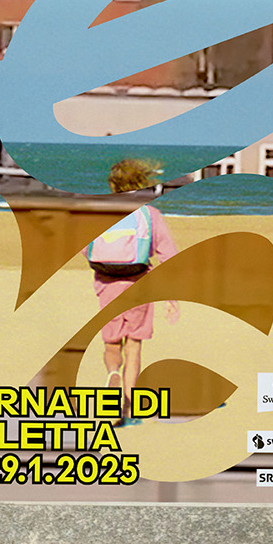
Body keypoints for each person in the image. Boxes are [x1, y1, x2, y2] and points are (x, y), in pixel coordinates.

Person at [89, 156, 179, 423]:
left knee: (111, 343)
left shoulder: (99, 211)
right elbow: (169, 255)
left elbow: (86, 249)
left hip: (106, 284)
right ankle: (127, 403)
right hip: (139, 282)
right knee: (134, 346)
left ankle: (112, 376)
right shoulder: (150, 215)